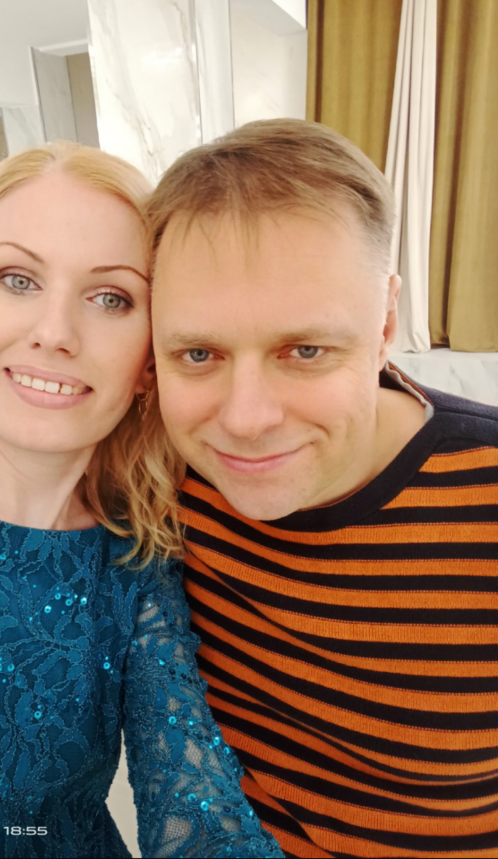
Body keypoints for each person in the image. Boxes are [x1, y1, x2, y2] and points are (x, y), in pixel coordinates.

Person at [0, 143, 285, 859]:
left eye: (111, 298)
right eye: (17, 279)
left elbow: (195, 805)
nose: (54, 333)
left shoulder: (134, 556)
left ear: (152, 358)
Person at [145, 119, 498, 858]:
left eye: (304, 350)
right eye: (198, 354)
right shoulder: (157, 476)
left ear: (386, 322)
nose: (244, 421)